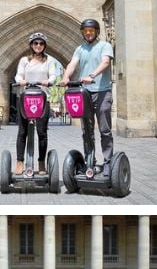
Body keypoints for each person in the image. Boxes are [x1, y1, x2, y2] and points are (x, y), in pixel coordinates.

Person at [60, 18, 115, 175]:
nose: (88, 34)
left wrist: (92, 75)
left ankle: (108, 162)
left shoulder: (105, 46)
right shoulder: (80, 49)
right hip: (85, 93)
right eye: (86, 32)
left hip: (102, 91)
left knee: (104, 129)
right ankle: (90, 161)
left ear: (96, 32)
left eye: (91, 31)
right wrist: (66, 77)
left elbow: (105, 63)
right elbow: (72, 64)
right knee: (87, 130)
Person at [14, 32, 57, 175]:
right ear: (31, 45)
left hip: (42, 99)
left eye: (41, 43)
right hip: (25, 99)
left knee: (42, 132)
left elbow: (53, 76)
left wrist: (49, 82)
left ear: (44, 46)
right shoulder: (24, 60)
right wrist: (20, 80)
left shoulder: (49, 61)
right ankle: (20, 161)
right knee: (22, 132)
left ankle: (41, 162)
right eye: (35, 43)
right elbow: (18, 74)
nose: (38, 45)